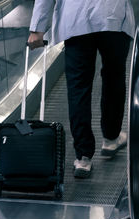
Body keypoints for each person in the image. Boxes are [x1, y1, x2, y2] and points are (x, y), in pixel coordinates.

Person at [27, 0, 135, 178]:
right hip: (113, 15)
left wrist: (37, 28)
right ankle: (110, 139)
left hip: (76, 19)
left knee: (78, 87)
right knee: (113, 79)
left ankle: (83, 157)